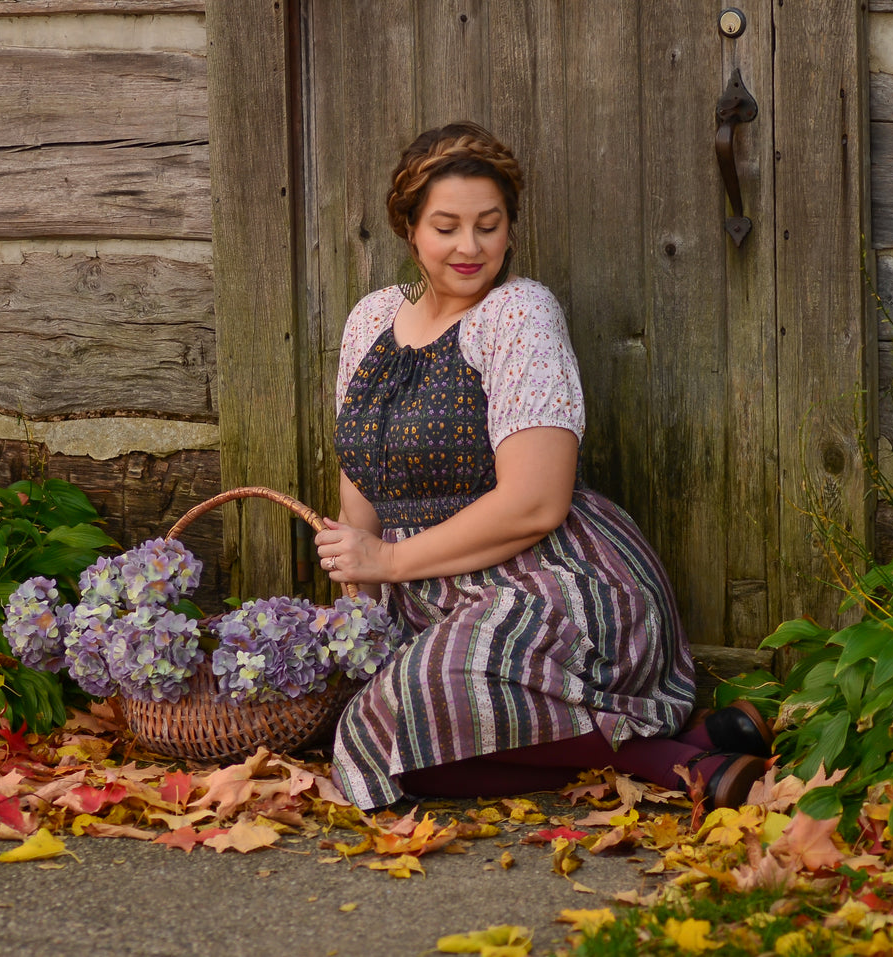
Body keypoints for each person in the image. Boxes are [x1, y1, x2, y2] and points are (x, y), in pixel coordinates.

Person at [313, 121, 772, 812]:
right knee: (368, 745)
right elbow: (359, 467)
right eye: (446, 226)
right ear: (407, 227)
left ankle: (664, 752)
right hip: (422, 593)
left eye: (488, 226)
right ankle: (690, 749)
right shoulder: (370, 318)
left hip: (550, 583)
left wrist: (386, 562)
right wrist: (363, 605)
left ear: (510, 230)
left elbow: (535, 503)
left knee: (400, 713)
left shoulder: (516, 313)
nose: (469, 247)